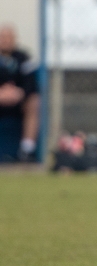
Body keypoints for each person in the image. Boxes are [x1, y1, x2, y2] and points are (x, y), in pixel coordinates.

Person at [0, 24, 40, 163]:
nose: (5, 40)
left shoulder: (23, 58)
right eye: (2, 37)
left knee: (34, 102)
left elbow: (31, 83)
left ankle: (27, 150)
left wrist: (20, 93)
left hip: (17, 103)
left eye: (9, 37)